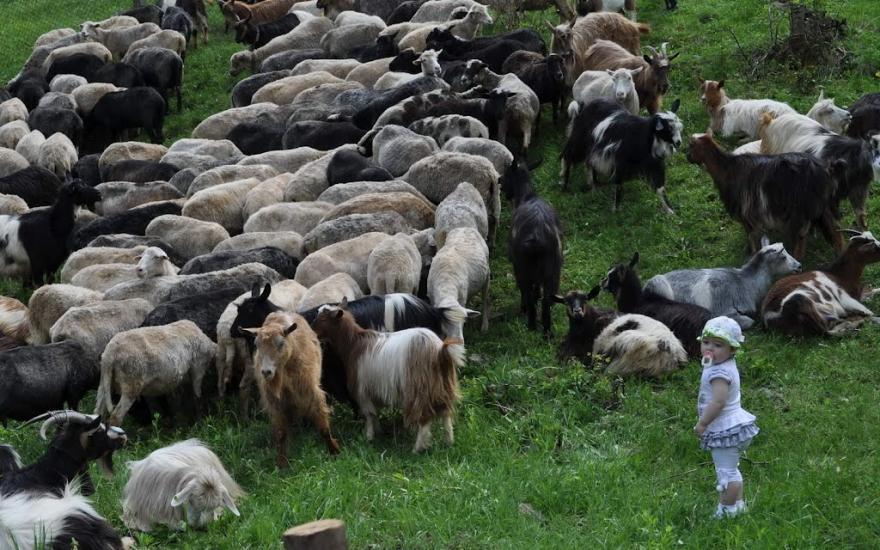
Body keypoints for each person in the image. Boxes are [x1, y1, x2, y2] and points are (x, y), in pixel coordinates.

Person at [694, 316, 759, 518]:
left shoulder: (720, 373)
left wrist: (703, 423)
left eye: (718, 345)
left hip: (725, 428)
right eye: (706, 342)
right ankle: (737, 505)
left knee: (726, 474)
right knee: (731, 469)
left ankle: (726, 510)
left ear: (732, 349)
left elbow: (718, 402)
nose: (709, 348)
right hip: (734, 425)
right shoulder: (724, 363)